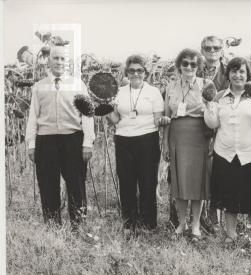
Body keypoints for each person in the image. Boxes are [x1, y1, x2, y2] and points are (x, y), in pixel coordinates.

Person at [204, 57, 251, 249]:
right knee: (228, 195)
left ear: (247, 74)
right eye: (234, 71)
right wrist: (210, 105)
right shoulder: (219, 96)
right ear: (228, 74)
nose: (238, 75)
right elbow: (212, 124)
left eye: (242, 71)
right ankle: (231, 234)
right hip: (225, 152)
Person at [26, 45, 95, 230]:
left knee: (76, 184)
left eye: (63, 59)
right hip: (46, 141)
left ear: (68, 63)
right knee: (48, 185)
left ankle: (78, 225)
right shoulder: (39, 87)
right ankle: (52, 227)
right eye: (55, 58)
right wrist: (31, 144)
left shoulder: (78, 85)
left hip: (72, 139)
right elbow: (33, 116)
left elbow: (88, 116)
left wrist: (88, 143)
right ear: (49, 61)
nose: (59, 62)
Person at [107, 55, 164, 237]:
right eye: (132, 70)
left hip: (147, 139)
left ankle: (148, 224)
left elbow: (157, 119)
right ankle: (129, 223)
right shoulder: (119, 92)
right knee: (126, 182)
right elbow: (115, 120)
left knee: (148, 182)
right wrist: (106, 110)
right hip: (123, 139)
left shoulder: (153, 92)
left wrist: (163, 121)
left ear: (145, 73)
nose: (136, 73)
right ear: (127, 72)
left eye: (140, 70)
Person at [162, 48, 214, 242]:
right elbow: (167, 116)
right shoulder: (171, 86)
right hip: (177, 135)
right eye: (185, 63)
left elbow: (213, 114)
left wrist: (213, 140)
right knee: (180, 180)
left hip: (199, 136)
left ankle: (196, 225)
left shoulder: (206, 85)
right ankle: (182, 223)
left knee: (197, 182)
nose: (189, 67)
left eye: (193, 64)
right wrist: (165, 143)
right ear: (179, 66)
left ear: (198, 66)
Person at [197, 35, 230, 234]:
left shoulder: (229, 72)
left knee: (219, 174)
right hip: (198, 129)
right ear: (201, 50)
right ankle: (198, 218)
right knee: (200, 174)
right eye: (207, 48)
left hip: (224, 129)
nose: (212, 51)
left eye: (216, 47)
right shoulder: (193, 68)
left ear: (222, 50)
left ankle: (215, 220)